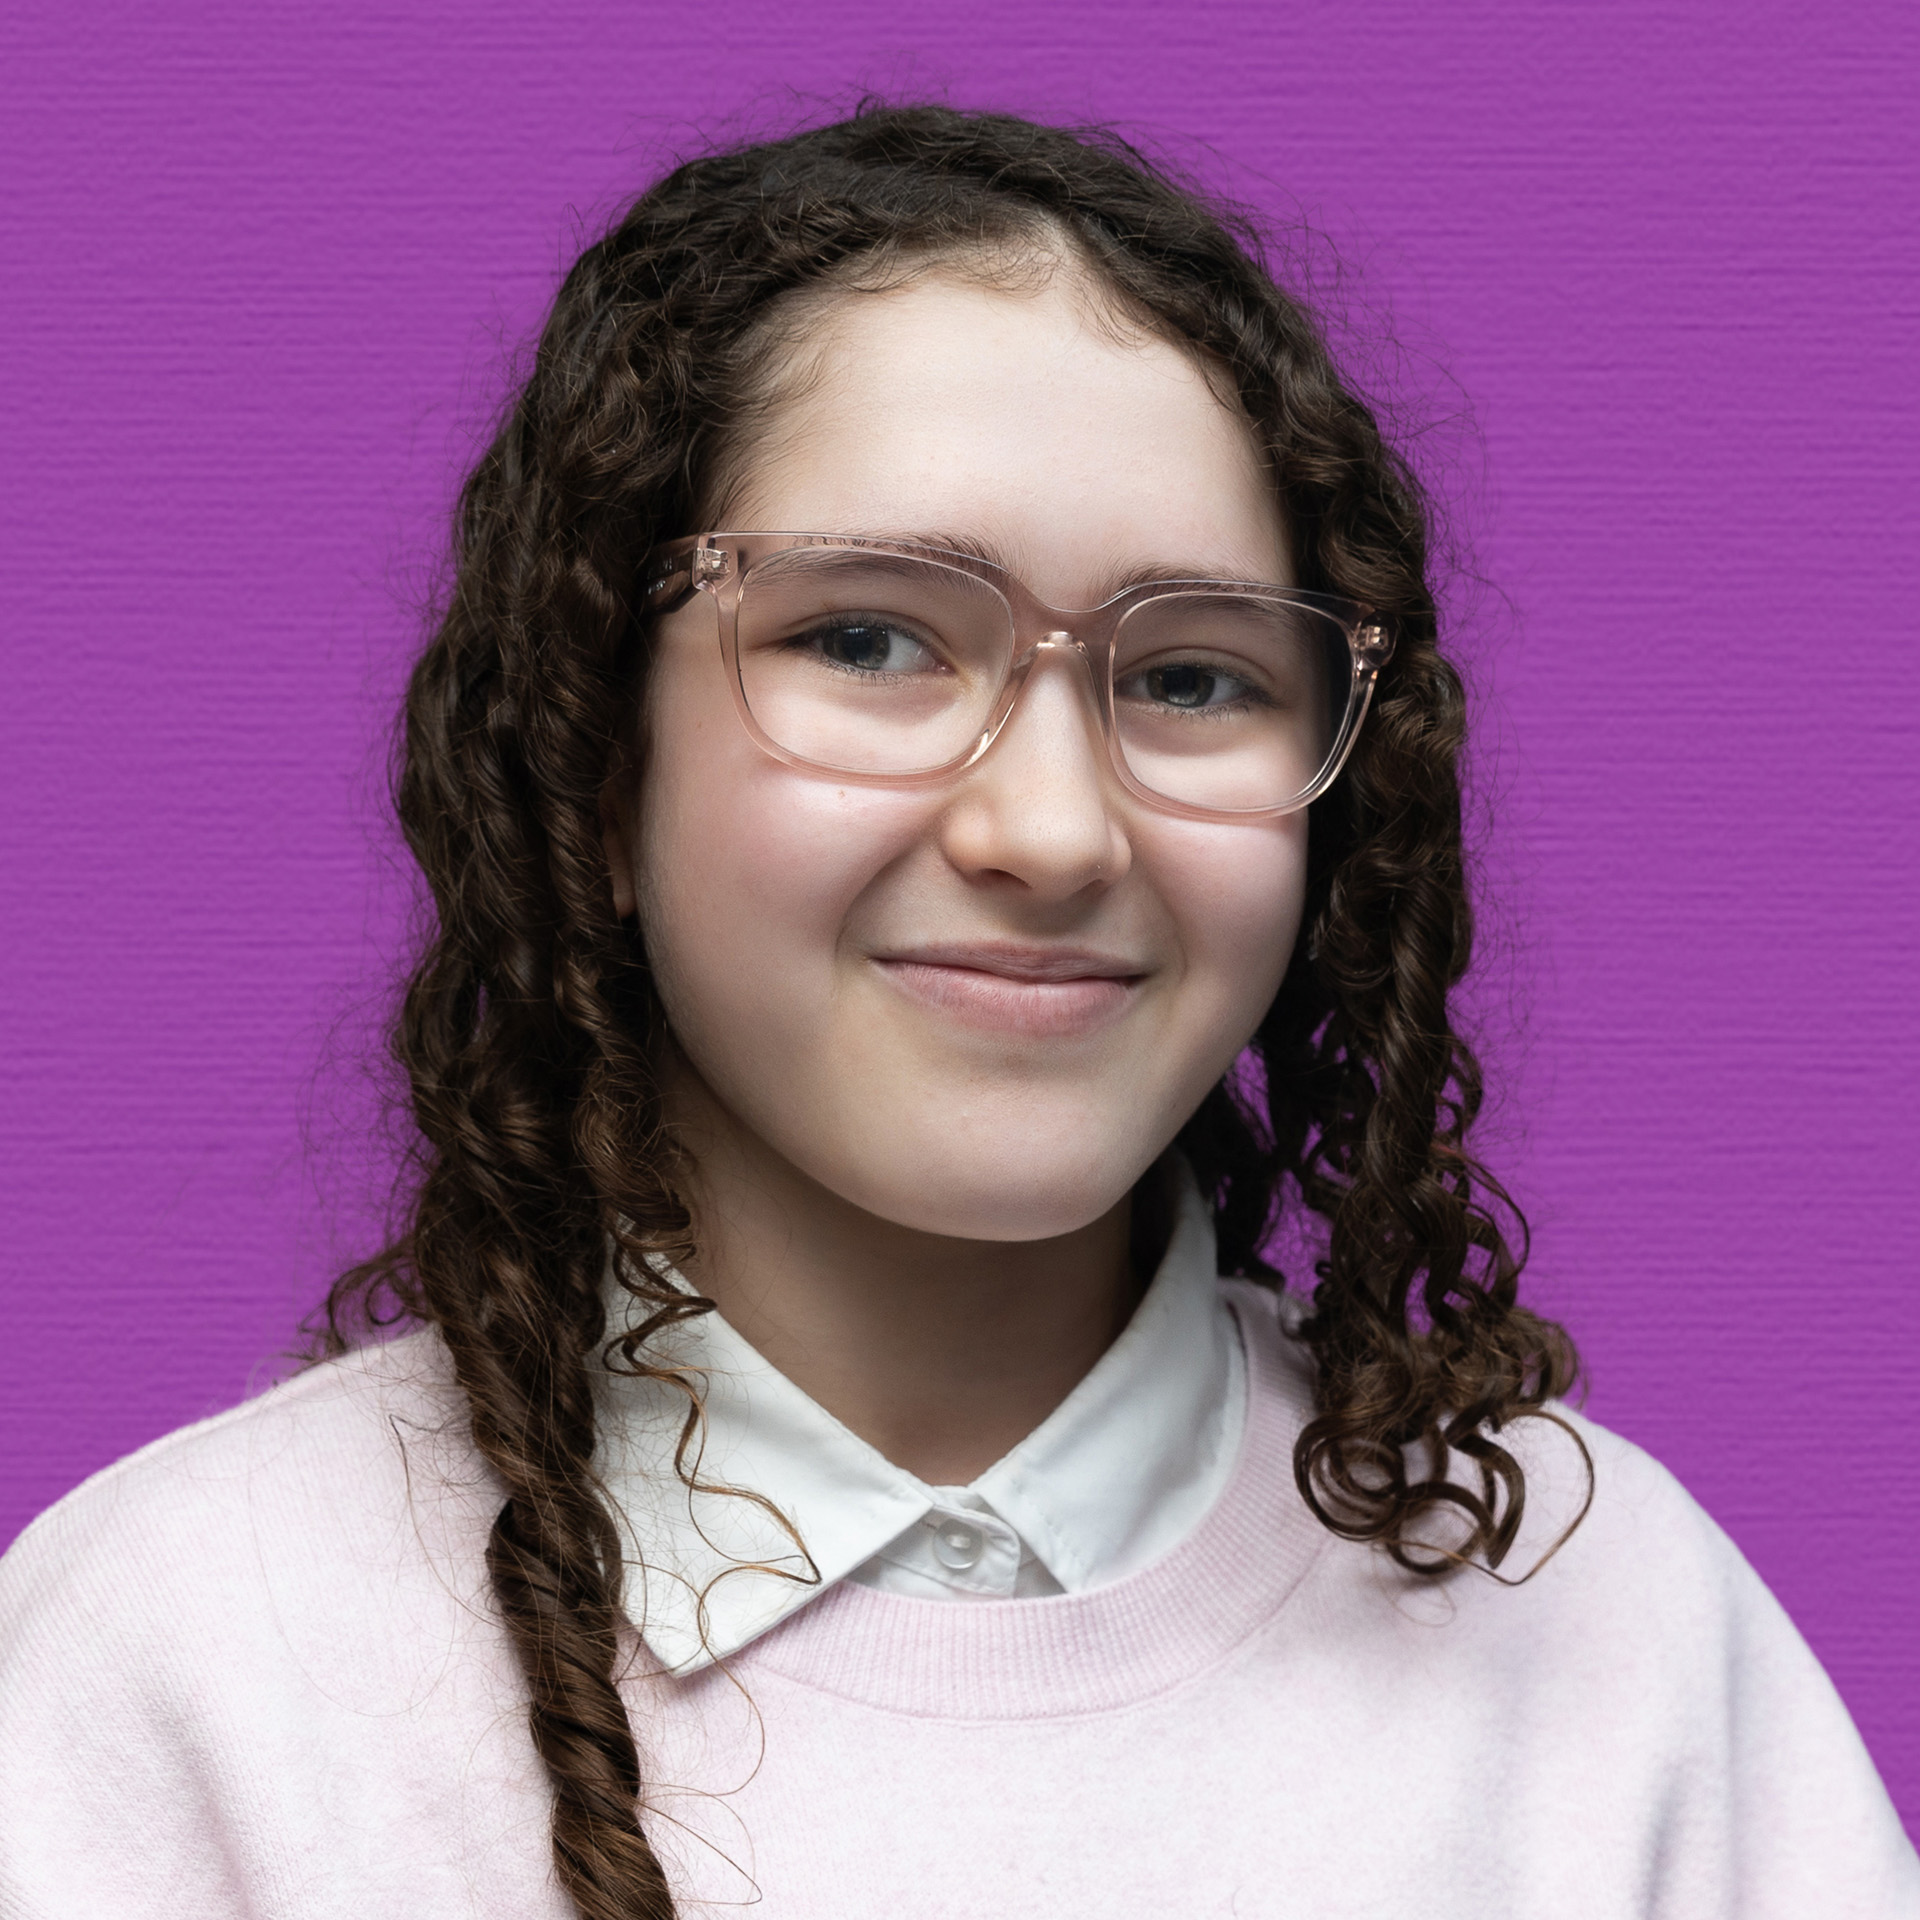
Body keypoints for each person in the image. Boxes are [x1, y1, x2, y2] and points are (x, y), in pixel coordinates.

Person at [0, 104, 1913, 1920]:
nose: (1053, 829)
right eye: (866, 638)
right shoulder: (179, 1667)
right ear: (593, 772)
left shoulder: (1608, 1619)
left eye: (1191, 676)